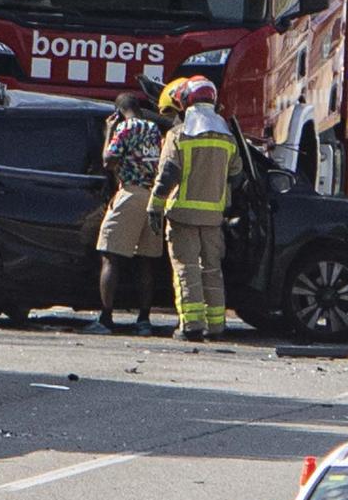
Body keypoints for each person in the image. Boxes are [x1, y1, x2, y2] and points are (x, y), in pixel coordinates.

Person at [150, 76, 243, 341]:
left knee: (186, 268)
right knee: (212, 270)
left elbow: (168, 174)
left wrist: (154, 207)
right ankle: (216, 326)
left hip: (182, 214)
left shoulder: (179, 135)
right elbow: (236, 176)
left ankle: (190, 326)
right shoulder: (227, 138)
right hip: (213, 217)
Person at [88, 92, 166, 335]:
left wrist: (108, 133)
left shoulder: (124, 128)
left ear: (118, 112)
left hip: (129, 194)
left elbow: (108, 160)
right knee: (145, 261)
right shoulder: (154, 129)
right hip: (153, 198)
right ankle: (144, 320)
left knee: (110, 254)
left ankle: (105, 318)